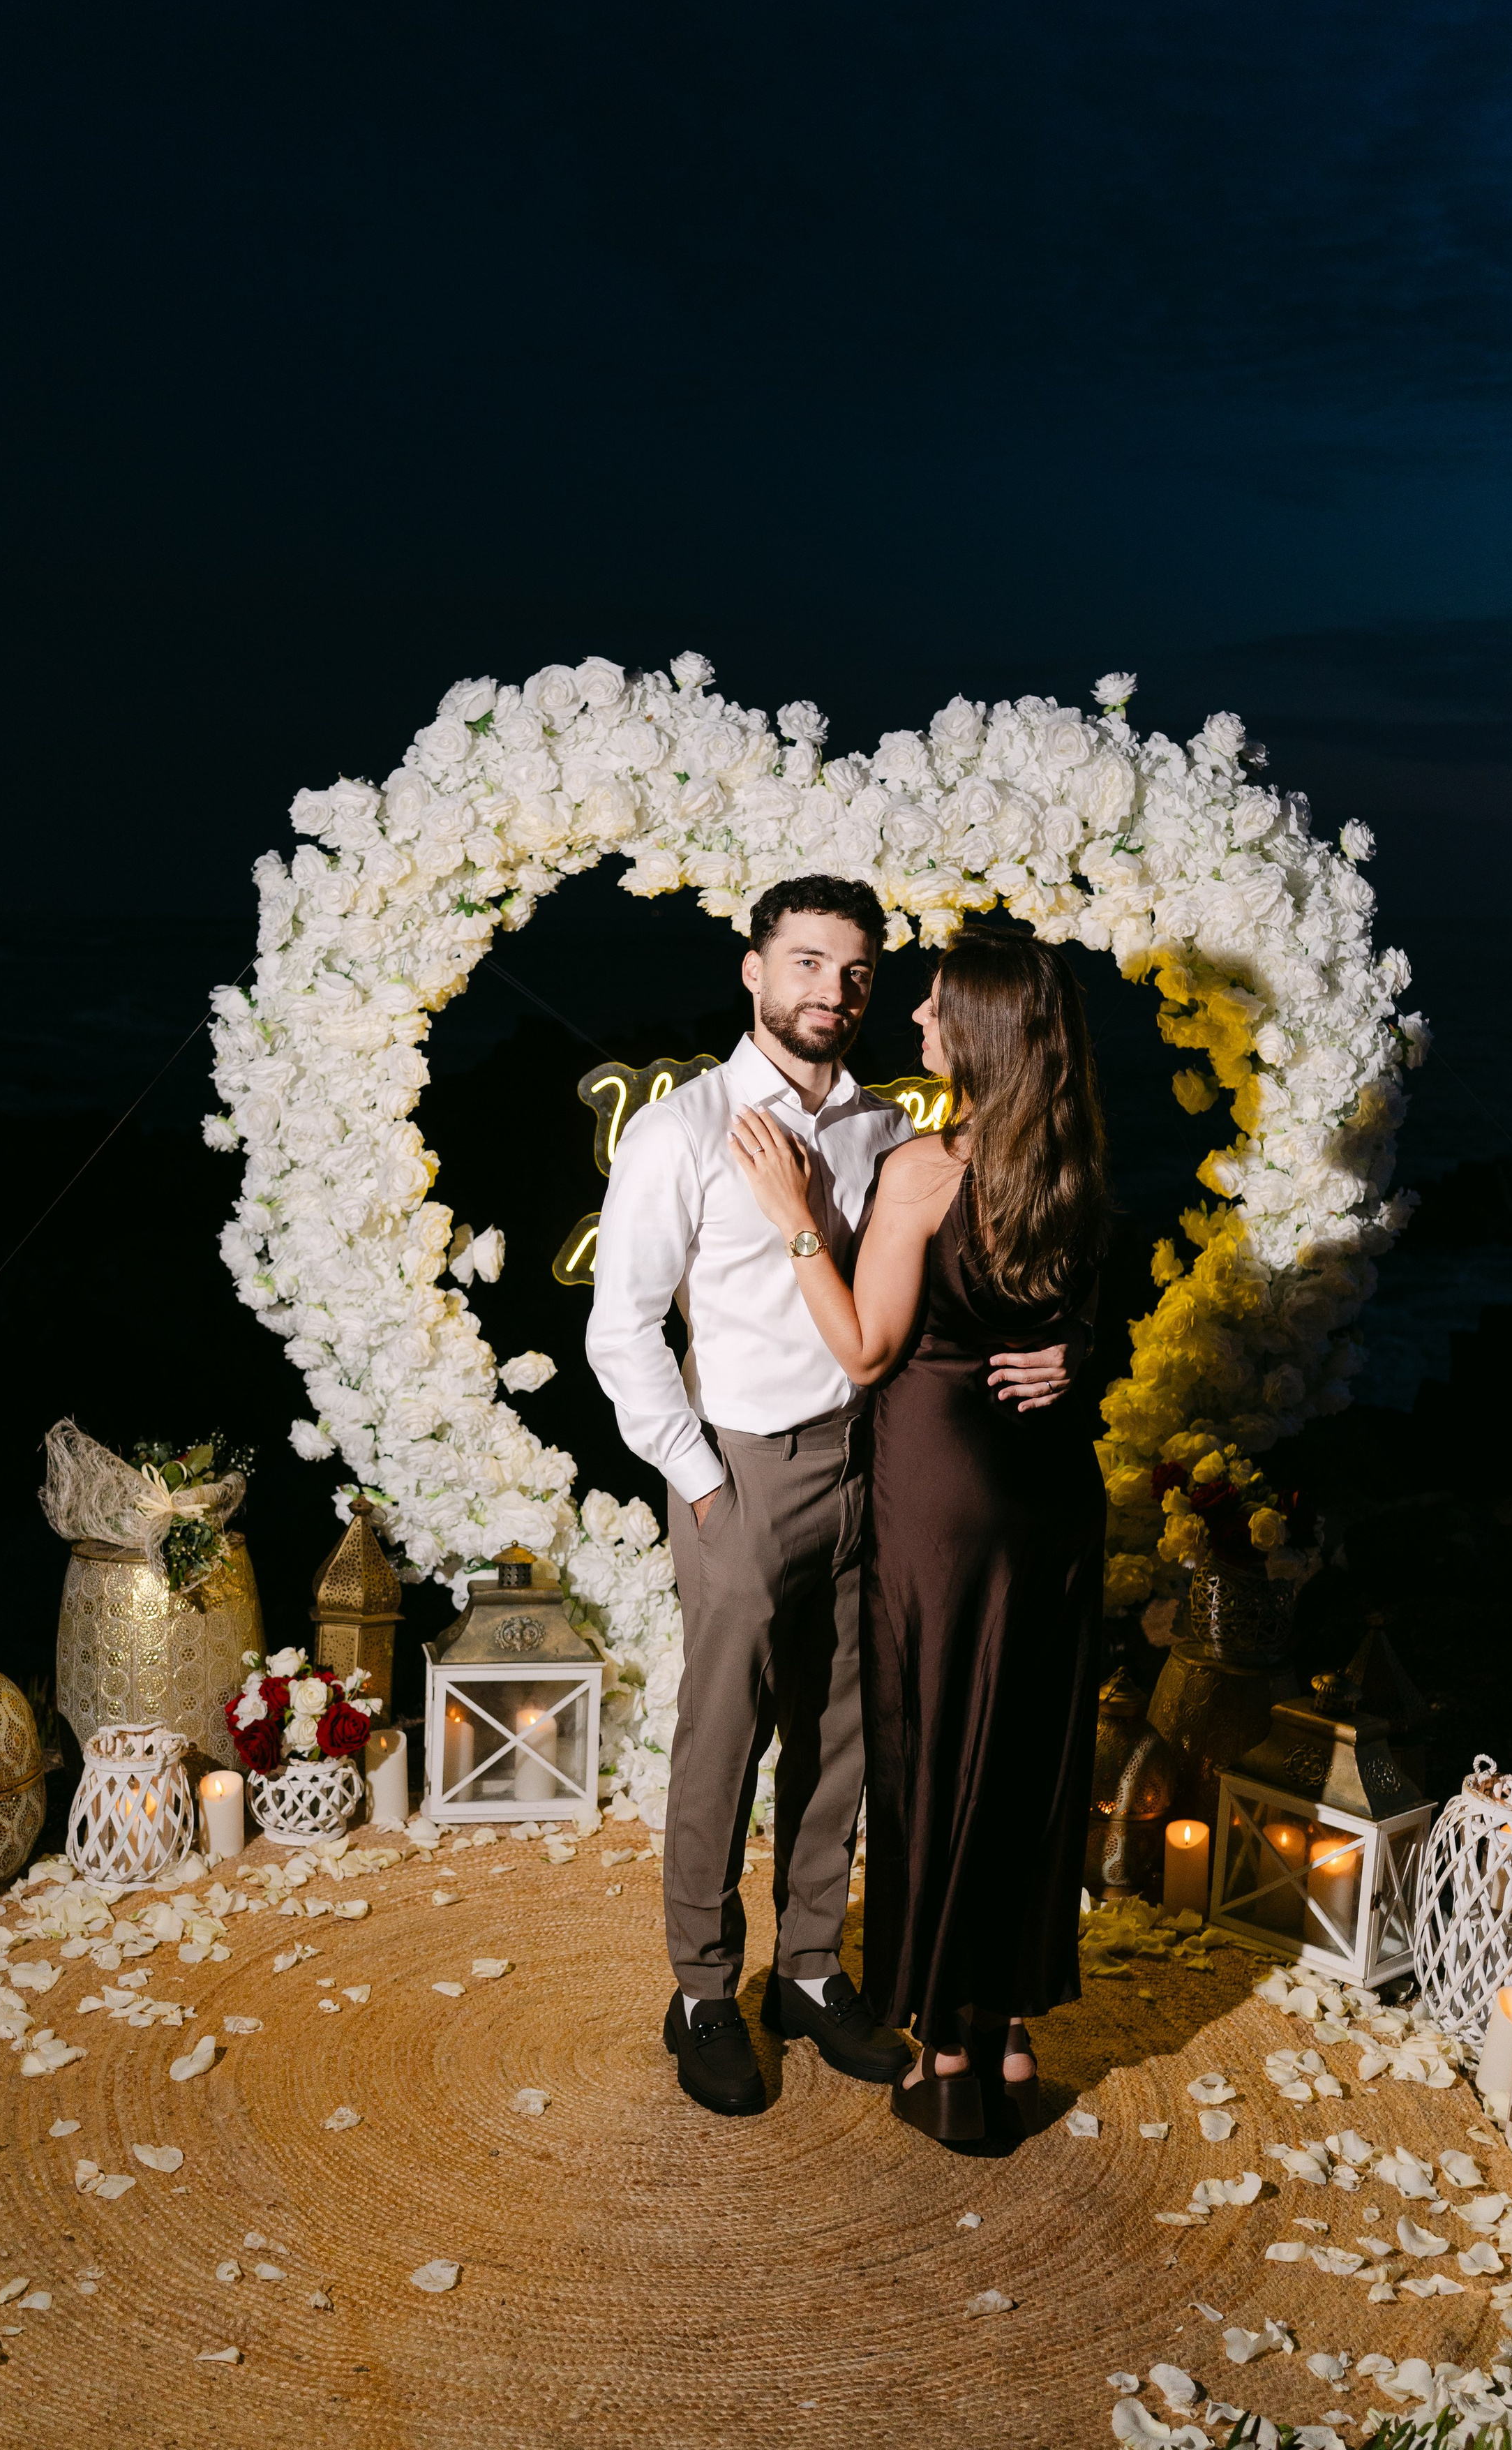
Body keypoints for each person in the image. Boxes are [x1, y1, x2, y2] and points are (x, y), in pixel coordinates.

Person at [586, 876, 1077, 2119]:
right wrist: (698, 1482)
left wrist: (1071, 1349)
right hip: (743, 1471)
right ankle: (703, 1992)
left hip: (880, 1465)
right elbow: (621, 1332)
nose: (833, 993)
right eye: (805, 964)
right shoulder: (685, 1131)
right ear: (752, 971)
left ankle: (810, 1967)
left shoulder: (877, 1131)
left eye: (854, 973)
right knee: (724, 1737)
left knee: (846, 1733)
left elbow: (952, 1287)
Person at [731, 924, 1108, 2145]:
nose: (915, 1021)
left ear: (983, 1034)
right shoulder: (1076, 1165)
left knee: (934, 1738)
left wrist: (794, 1214)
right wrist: (1084, 1360)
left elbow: (865, 1350)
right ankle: (1006, 2030)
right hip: (1052, 1497)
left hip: (940, 1490)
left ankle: (944, 2041)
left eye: (937, 1007)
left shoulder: (925, 1169)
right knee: (1026, 1751)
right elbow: (1089, 1313)